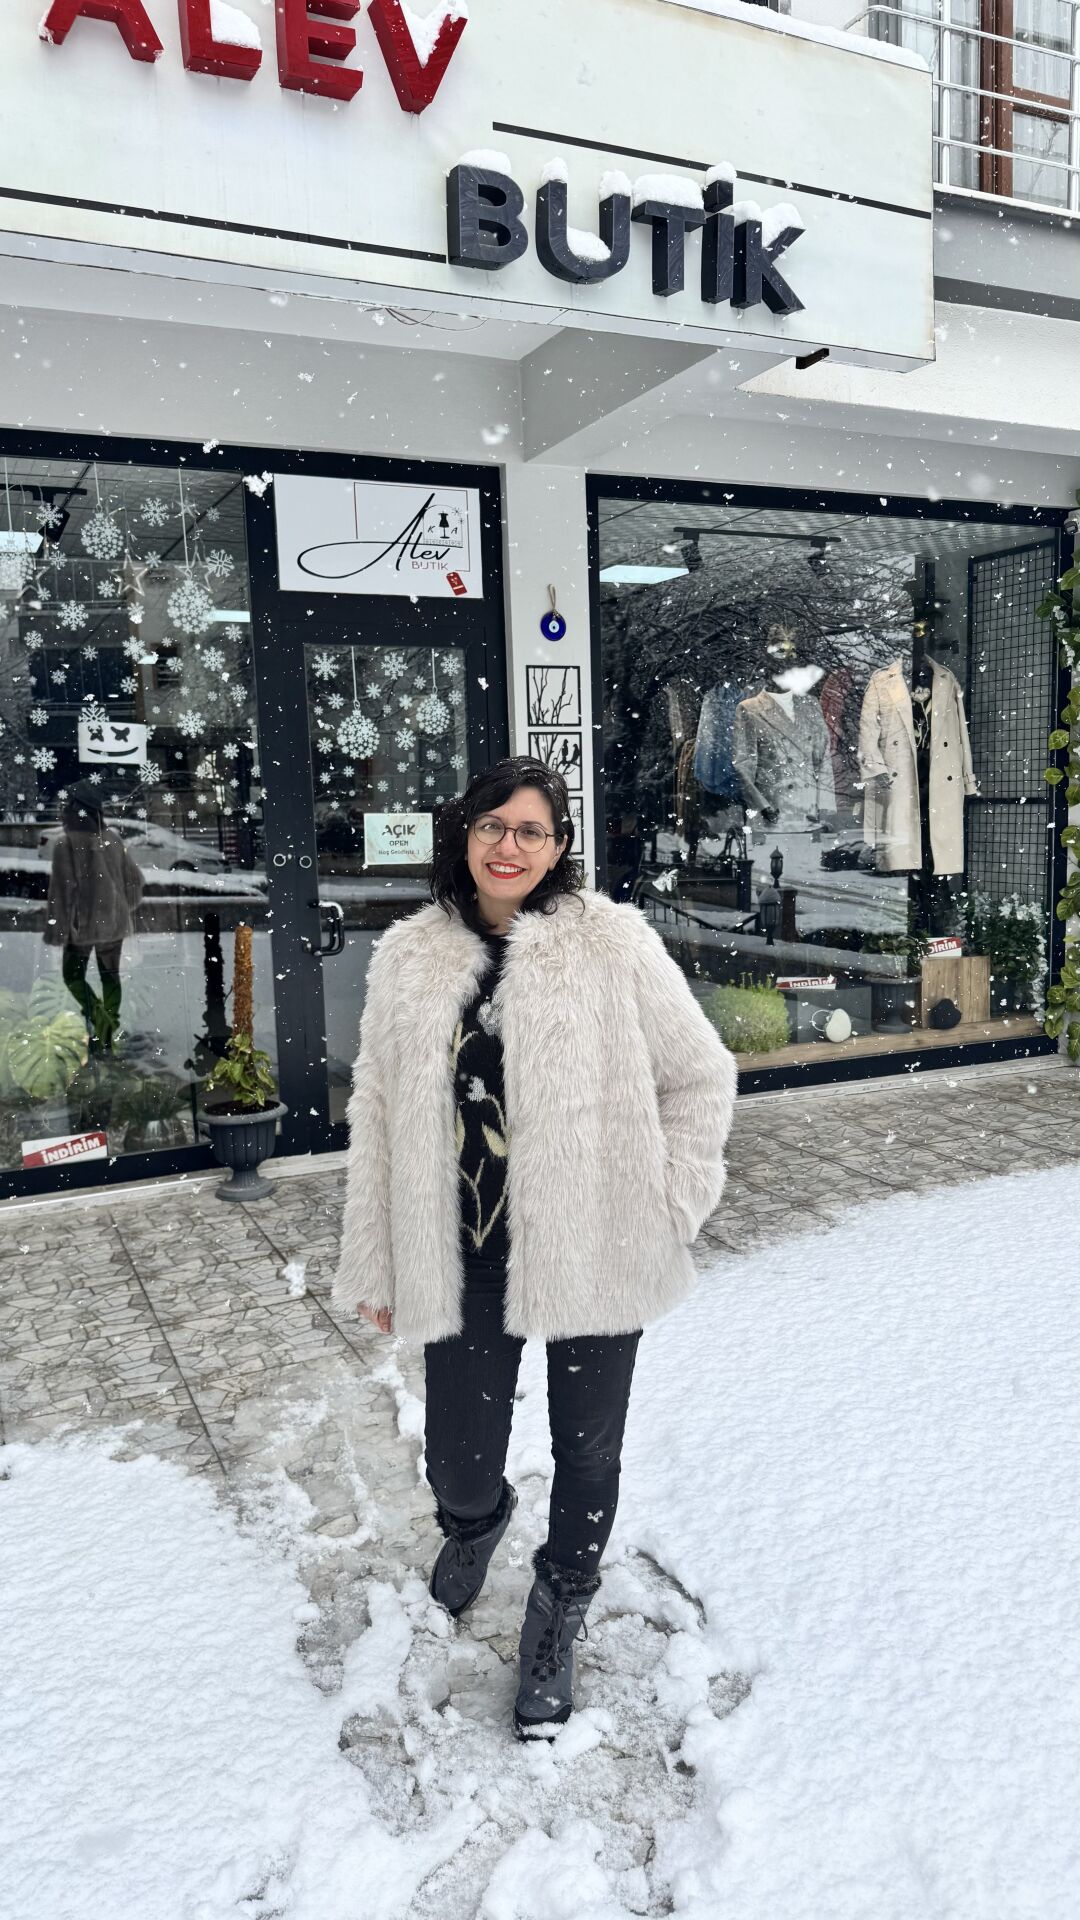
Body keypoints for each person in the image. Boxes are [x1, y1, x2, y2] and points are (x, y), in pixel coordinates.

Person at [331, 756, 737, 1740]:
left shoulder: (612, 943)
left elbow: (700, 1074)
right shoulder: (410, 956)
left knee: (587, 1449)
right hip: (465, 1249)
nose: (508, 846)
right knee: (457, 1462)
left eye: (531, 831)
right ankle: (478, 1522)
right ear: (464, 835)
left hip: (600, 1242)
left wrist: (671, 1206)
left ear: (558, 848)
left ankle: (558, 1612)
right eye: (492, 826)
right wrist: (375, 1255)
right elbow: (376, 1110)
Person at [44, 781, 144, 1050]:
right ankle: (107, 1029)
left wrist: (58, 929)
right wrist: (119, 907)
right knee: (110, 976)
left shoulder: (66, 844)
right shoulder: (112, 839)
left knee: (72, 976)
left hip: (83, 926)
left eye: (68, 805)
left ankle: (101, 1021)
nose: (64, 809)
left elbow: (61, 893)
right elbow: (135, 882)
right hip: (113, 924)